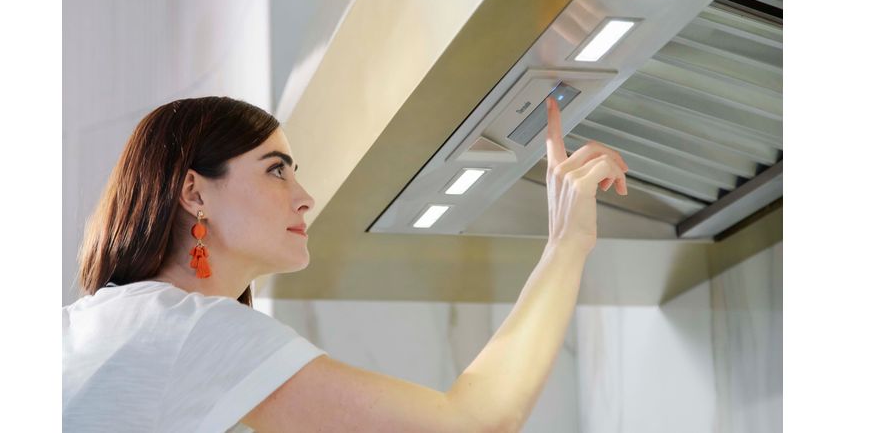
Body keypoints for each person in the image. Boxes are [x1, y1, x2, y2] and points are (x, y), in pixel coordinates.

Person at [62, 95, 628, 432]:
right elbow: (474, 424)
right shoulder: (189, 331)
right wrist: (566, 242)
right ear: (194, 192)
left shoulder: (106, 323)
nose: (305, 198)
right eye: (276, 169)